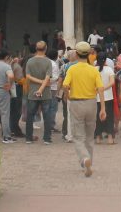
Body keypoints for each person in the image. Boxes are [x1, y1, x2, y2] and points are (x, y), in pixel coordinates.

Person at [61, 45, 106, 177]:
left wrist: (67, 95)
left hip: (76, 103)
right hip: (92, 103)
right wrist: (103, 108)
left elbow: (65, 85)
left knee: (78, 136)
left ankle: (84, 159)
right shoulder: (93, 70)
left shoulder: (72, 69)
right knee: (89, 136)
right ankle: (89, 162)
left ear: (77, 54)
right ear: (89, 54)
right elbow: (100, 89)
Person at [24, 41, 56, 144]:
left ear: (36, 48)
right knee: (47, 116)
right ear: (45, 48)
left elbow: (28, 76)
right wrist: (41, 87)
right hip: (46, 92)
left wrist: (38, 88)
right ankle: (47, 138)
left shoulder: (30, 61)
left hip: (32, 92)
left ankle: (28, 138)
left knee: (30, 115)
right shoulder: (48, 62)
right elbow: (47, 78)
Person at [95, 56, 116, 144]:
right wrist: (104, 88)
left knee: (97, 117)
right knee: (109, 117)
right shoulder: (109, 69)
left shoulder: (94, 69)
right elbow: (112, 82)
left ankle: (98, 137)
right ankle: (110, 138)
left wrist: (98, 89)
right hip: (108, 97)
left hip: (96, 97)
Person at [9, 55, 26, 137]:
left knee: (11, 110)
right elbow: (20, 79)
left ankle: (10, 129)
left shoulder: (7, 65)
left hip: (8, 89)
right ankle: (14, 129)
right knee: (16, 110)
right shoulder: (17, 67)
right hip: (17, 88)